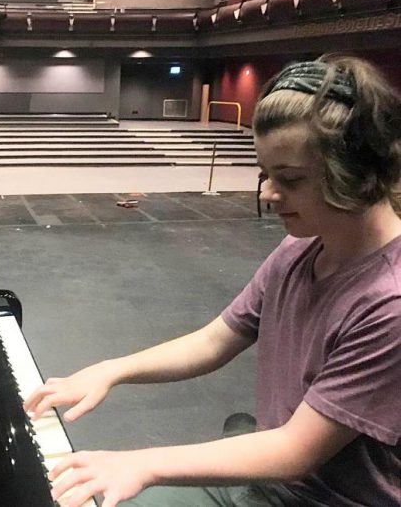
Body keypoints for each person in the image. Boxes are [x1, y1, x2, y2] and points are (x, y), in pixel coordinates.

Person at [24, 55, 401, 507]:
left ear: (357, 174)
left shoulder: (388, 302)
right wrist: (112, 370)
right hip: (278, 476)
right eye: (265, 174)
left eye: (290, 179)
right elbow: (214, 341)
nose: (266, 193)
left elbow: (295, 451)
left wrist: (143, 464)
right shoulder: (301, 247)